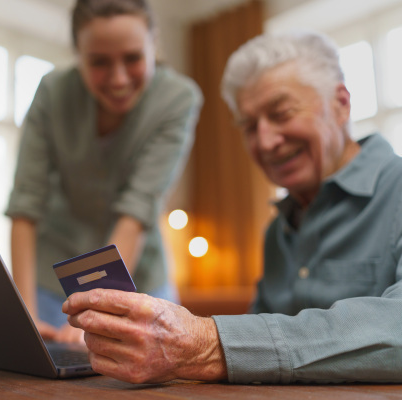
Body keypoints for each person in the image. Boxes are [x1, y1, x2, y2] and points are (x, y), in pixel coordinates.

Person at [62, 30, 402, 384]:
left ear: (342, 103)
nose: (266, 142)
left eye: (282, 113)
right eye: (250, 126)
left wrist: (203, 344)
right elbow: (261, 348)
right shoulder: (278, 232)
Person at [5, 0, 203, 343]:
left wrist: (96, 313)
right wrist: (25, 313)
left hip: (139, 277)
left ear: (153, 45)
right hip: (53, 280)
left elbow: (137, 210)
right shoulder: (52, 93)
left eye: (133, 58)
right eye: (99, 62)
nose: (119, 78)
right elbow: (25, 204)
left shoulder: (178, 99)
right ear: (77, 55)